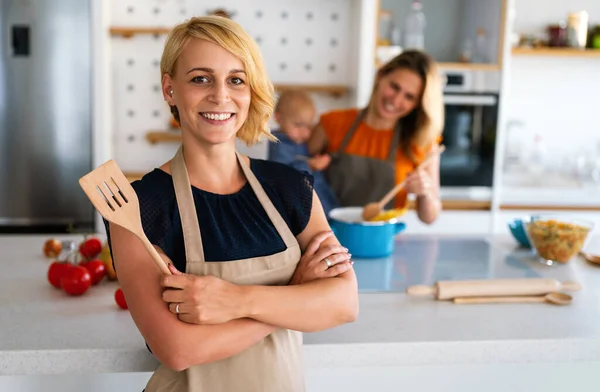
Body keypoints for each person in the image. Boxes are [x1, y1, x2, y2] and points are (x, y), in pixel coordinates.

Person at [106, 16, 358, 392]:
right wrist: (293, 294)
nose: (220, 96)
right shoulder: (139, 208)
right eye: (200, 78)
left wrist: (236, 300)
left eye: (236, 80)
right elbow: (177, 349)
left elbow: (343, 303)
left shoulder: (291, 189)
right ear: (169, 89)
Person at [308, 50, 445, 224]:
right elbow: (295, 171)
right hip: (325, 238)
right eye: (394, 87)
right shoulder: (332, 123)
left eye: (409, 97)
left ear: (418, 104)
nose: (396, 100)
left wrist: (424, 193)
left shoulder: (421, 142)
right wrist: (309, 165)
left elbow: (429, 218)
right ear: (380, 77)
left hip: (380, 241)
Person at [268, 90, 339, 215]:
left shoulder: (300, 140)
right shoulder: (279, 144)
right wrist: (310, 165)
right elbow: (281, 173)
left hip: (319, 196)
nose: (305, 133)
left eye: (309, 126)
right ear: (278, 118)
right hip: (298, 201)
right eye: (298, 125)